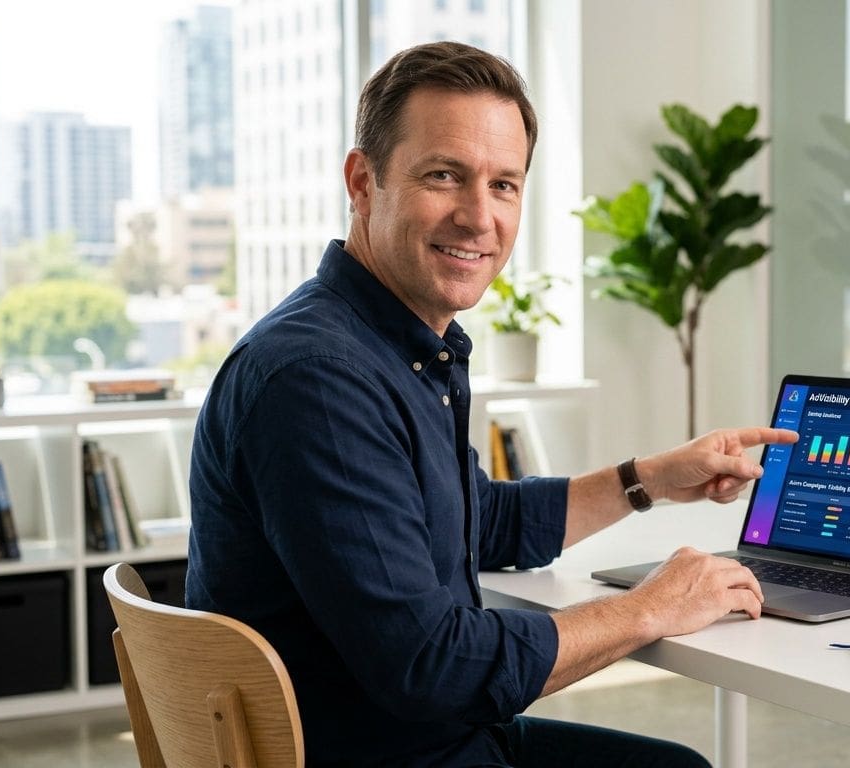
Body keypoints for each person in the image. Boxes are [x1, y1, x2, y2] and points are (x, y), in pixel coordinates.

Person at [186, 41, 797, 767]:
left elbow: (481, 519)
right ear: (362, 181)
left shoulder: (387, 347)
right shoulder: (317, 378)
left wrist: (651, 478)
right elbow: (432, 667)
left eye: (504, 185)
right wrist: (652, 607)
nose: (479, 217)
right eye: (444, 176)